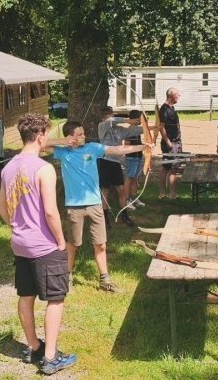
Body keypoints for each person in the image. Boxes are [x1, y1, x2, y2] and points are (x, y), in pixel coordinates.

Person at [0, 113, 77, 375]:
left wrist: (17, 226)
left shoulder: (8, 167)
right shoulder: (44, 169)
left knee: (26, 295)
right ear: (41, 136)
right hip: (44, 245)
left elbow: (1, 209)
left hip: (20, 243)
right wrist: (61, 241)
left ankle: (33, 347)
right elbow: (51, 212)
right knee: (56, 299)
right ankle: (50, 357)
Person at [51, 120, 149, 292]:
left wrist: (143, 147)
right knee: (73, 244)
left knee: (101, 244)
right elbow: (39, 145)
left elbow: (117, 150)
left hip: (95, 204)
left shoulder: (92, 148)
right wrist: (62, 141)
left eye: (83, 133)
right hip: (74, 206)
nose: (84, 136)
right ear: (71, 137)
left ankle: (105, 281)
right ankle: (67, 277)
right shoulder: (62, 152)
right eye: (80, 134)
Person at [97, 106, 142, 225]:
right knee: (105, 191)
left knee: (121, 190)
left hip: (116, 163)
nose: (112, 118)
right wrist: (128, 120)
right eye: (111, 115)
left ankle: (124, 216)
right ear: (104, 117)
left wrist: (153, 128)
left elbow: (134, 131)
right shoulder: (102, 126)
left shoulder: (119, 129)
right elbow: (110, 121)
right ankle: (105, 218)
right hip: (104, 161)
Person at [158, 87, 183, 199]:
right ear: (172, 95)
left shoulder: (171, 108)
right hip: (171, 143)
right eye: (177, 94)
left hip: (176, 142)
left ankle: (170, 194)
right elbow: (161, 127)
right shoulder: (164, 109)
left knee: (172, 167)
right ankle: (166, 194)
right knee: (169, 168)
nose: (179, 96)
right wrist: (168, 142)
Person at [122, 110, 145, 208]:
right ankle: (126, 200)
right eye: (140, 118)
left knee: (135, 178)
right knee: (129, 178)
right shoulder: (131, 130)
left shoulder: (137, 130)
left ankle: (134, 198)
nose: (142, 120)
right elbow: (127, 145)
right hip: (131, 158)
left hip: (138, 156)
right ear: (135, 119)